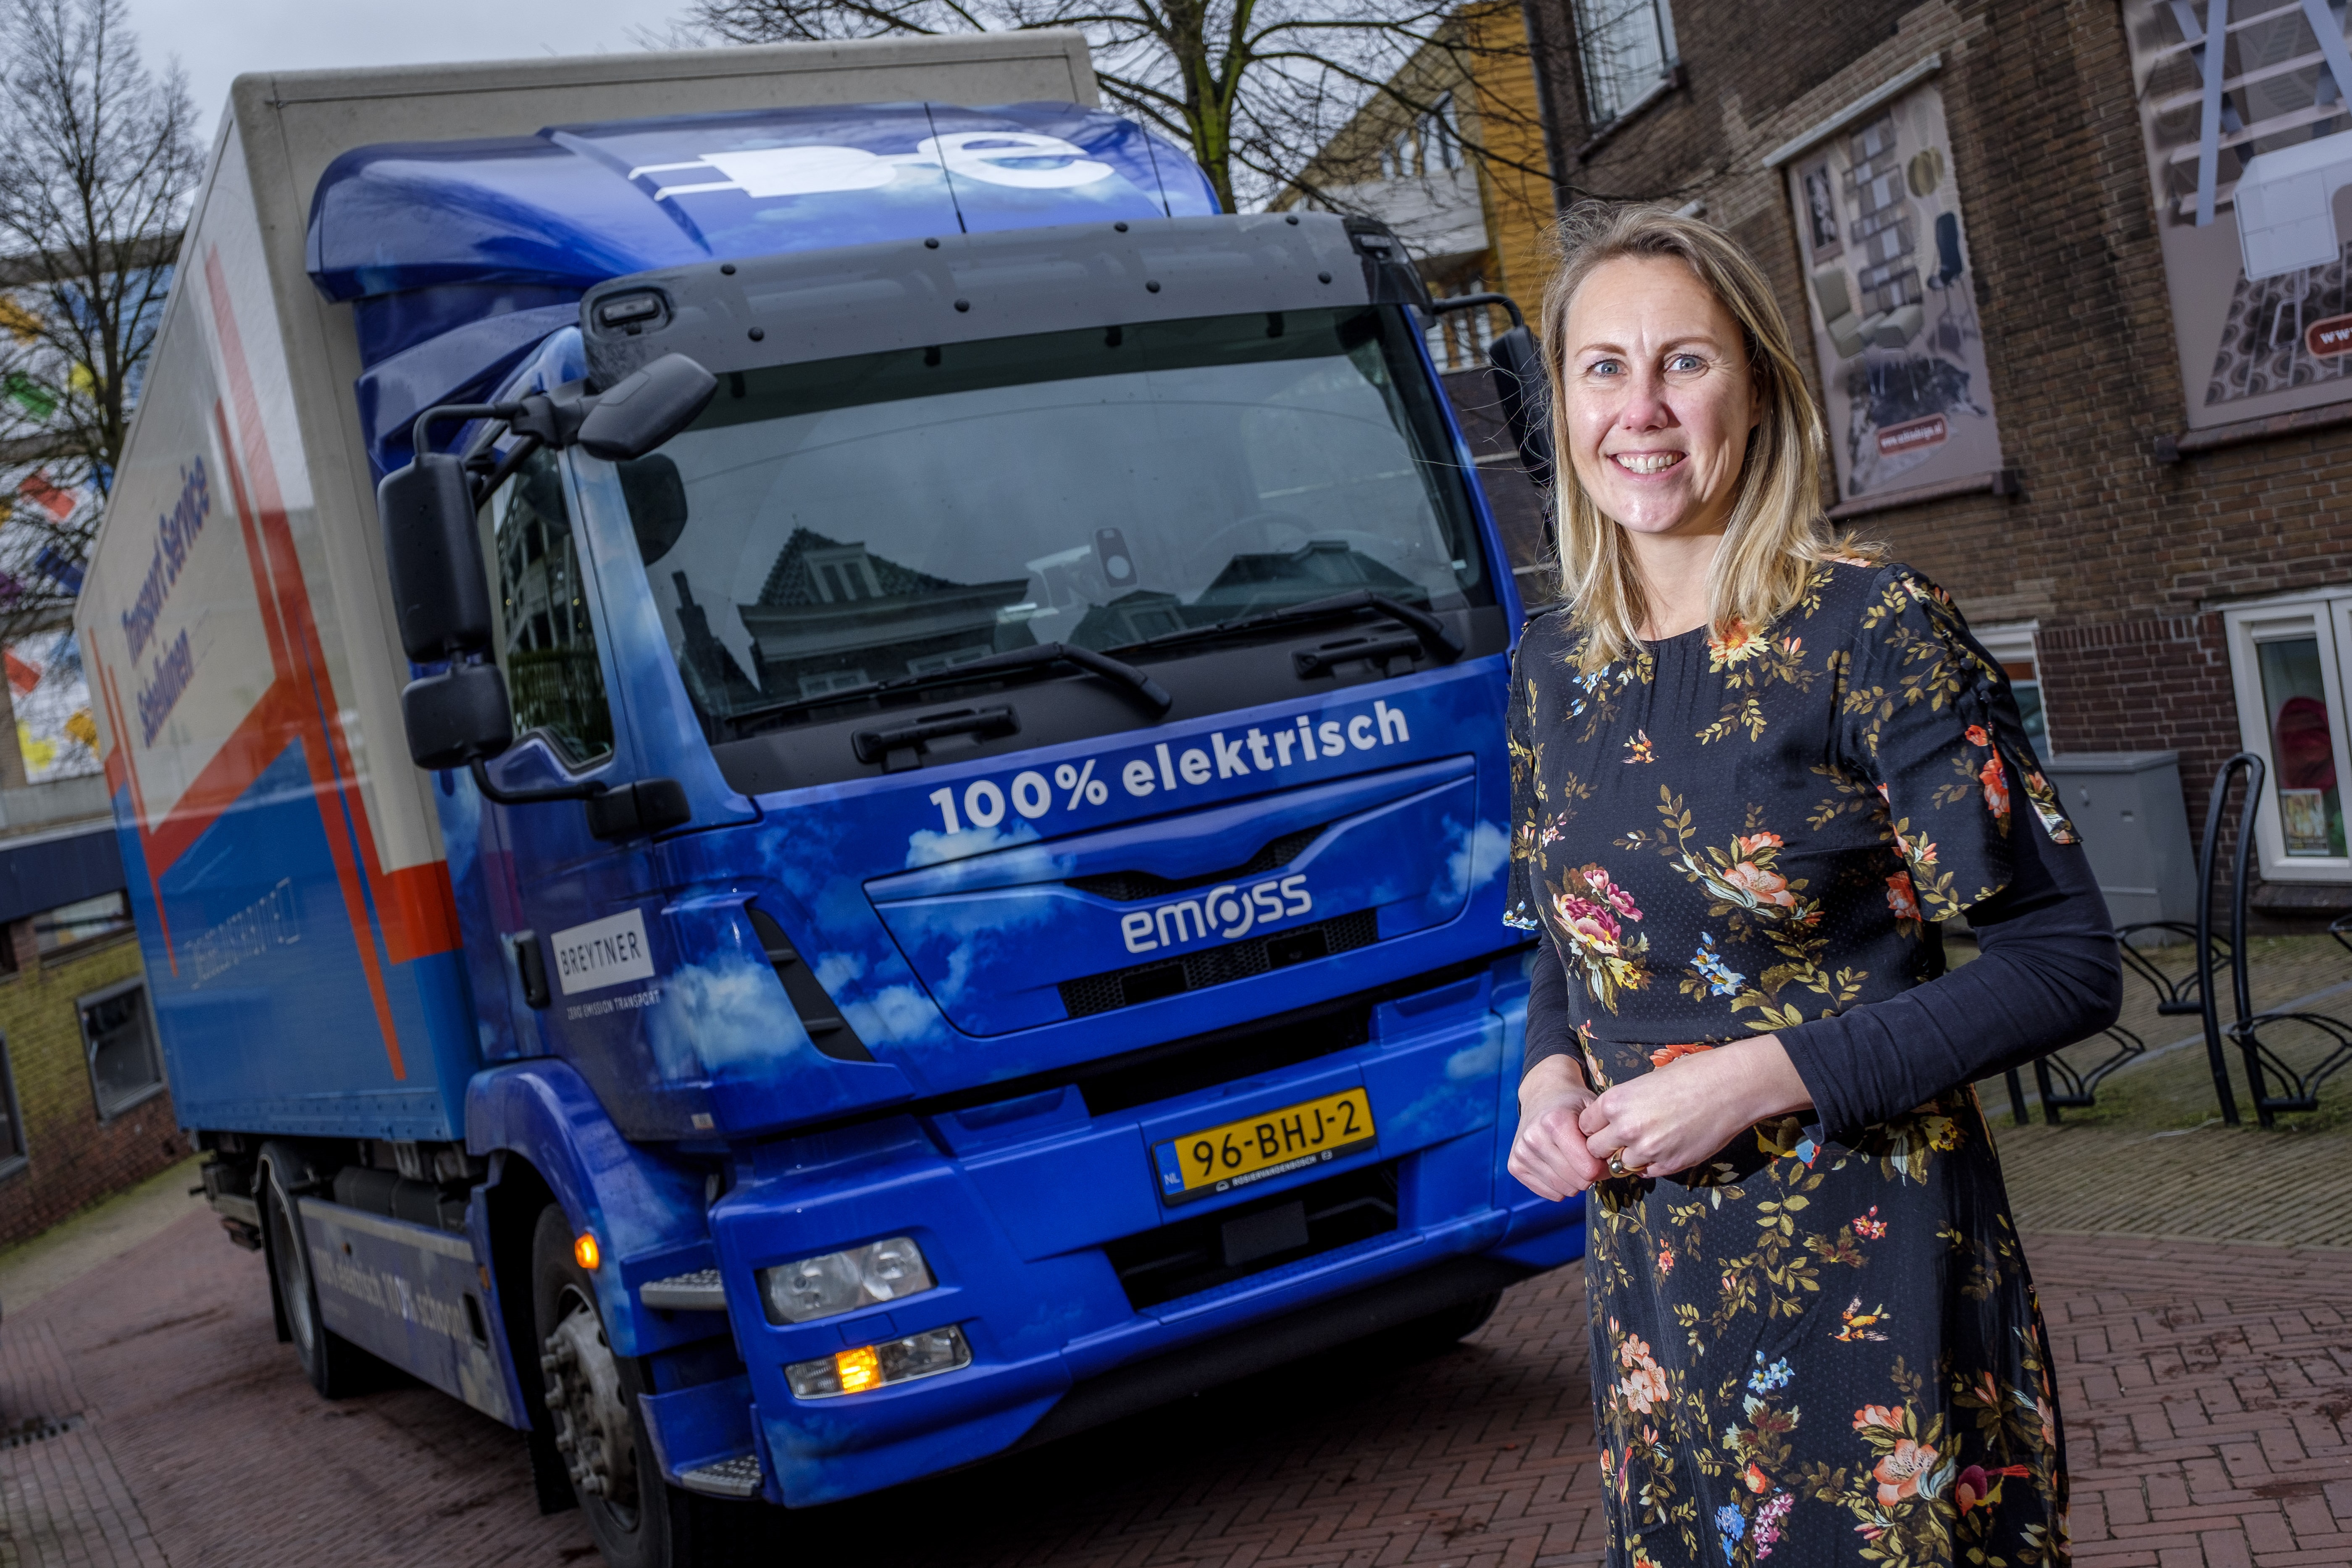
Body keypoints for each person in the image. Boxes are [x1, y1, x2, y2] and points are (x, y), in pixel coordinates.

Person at [1503, 204, 2120, 1568]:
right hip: (1657, 1295)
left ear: (1761, 389)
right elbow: (1568, 940)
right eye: (1603, 367)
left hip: (1869, 1274)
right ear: (1561, 406)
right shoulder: (1554, 663)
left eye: (1686, 363)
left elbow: (2067, 961)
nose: (1642, 408)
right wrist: (1552, 1081)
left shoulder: (1871, 630)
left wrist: (1756, 1077)